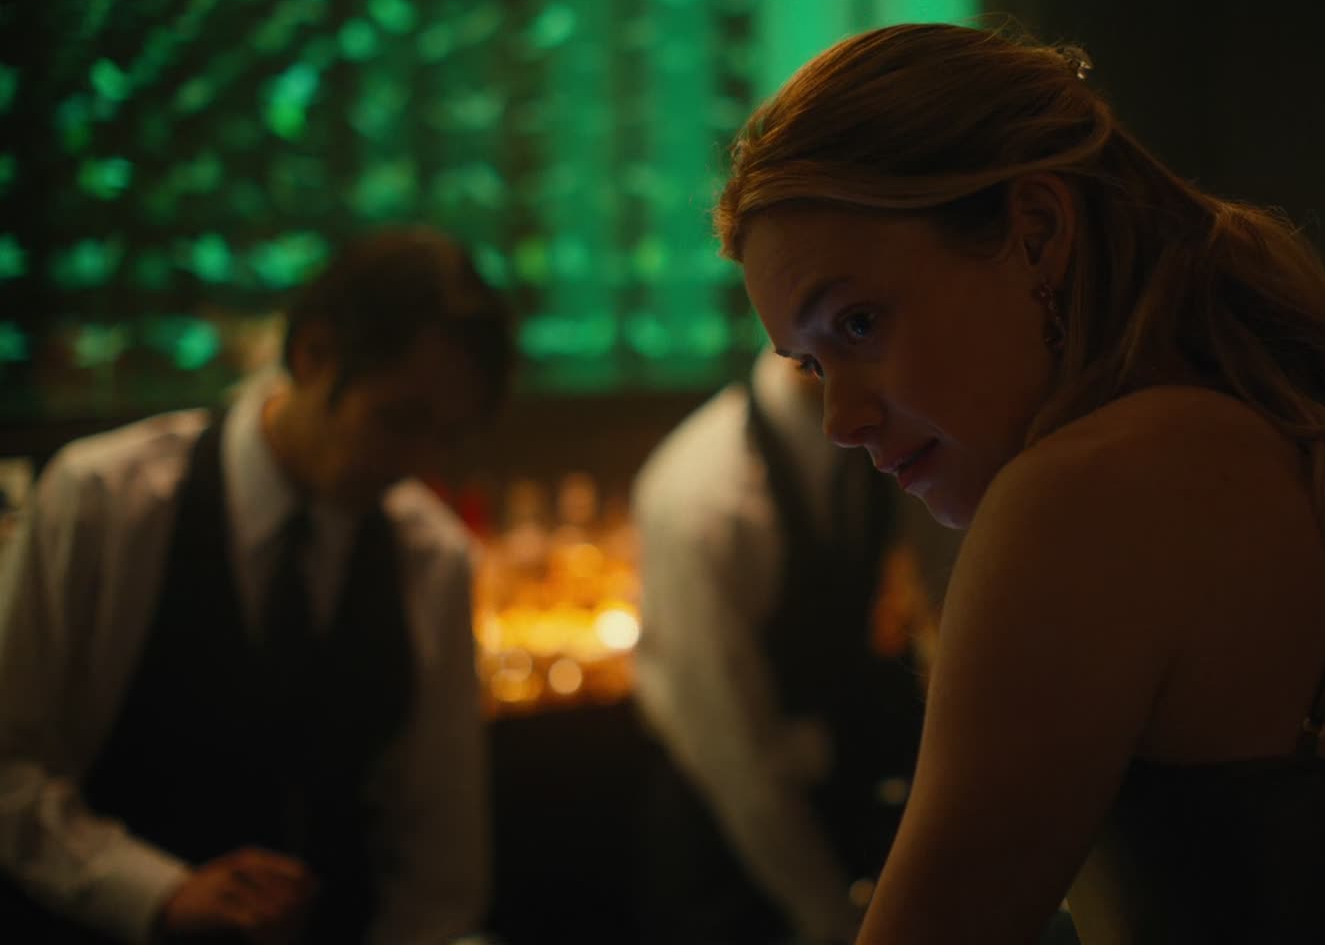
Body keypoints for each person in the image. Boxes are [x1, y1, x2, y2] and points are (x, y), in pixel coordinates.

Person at [712, 22, 1325, 944]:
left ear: (1036, 233)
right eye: (813, 366)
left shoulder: (1076, 507)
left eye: (859, 324)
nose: (842, 421)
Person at [0, 227, 513, 944]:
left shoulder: (431, 557)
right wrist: (156, 893)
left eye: (448, 436)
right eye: (400, 420)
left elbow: (440, 859)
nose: (422, 460)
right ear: (313, 353)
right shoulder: (104, 503)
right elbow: (12, 770)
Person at [630, 345, 956, 944]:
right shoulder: (702, 493)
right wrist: (829, 918)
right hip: (725, 833)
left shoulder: (886, 438)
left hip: (841, 792)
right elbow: (728, 749)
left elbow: (949, 605)